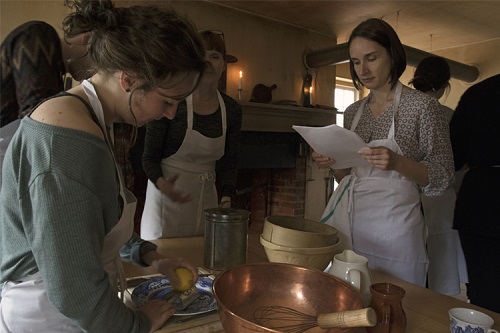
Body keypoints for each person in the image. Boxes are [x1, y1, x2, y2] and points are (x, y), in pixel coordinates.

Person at [0, 0, 207, 332]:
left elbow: (87, 229)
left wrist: (154, 258)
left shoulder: (91, 119)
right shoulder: (66, 140)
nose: (169, 114)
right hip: (48, 316)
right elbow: (73, 289)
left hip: (74, 309)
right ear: (129, 80)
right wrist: (136, 324)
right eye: (168, 101)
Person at [313, 18, 454, 286]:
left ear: (392, 54)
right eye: (355, 62)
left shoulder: (422, 108)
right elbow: (347, 177)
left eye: (371, 58)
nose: (362, 69)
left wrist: (397, 162)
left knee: (395, 311)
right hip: (351, 229)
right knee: (352, 304)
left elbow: (442, 176)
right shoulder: (354, 112)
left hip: (396, 234)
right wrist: (332, 161)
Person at [141, 30, 242, 239]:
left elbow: (230, 161)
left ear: (223, 64)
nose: (207, 63)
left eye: (214, 56)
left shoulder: (231, 109)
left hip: (205, 200)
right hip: (165, 201)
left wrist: (226, 198)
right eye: (200, 56)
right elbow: (149, 157)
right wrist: (163, 186)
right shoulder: (172, 100)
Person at [409, 56, 468, 296]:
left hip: (405, 193)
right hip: (440, 199)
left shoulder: (401, 111)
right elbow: (459, 164)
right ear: (446, 86)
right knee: (440, 263)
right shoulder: (450, 117)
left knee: (409, 260)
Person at [450, 74, 500, 313]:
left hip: (481, 200)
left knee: (485, 295)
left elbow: (454, 157)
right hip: (481, 202)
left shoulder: (478, 93)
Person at [0, 20, 92, 127]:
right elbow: (37, 119)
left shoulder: (55, 70)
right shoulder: (36, 35)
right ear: (89, 39)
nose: (98, 74)